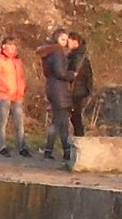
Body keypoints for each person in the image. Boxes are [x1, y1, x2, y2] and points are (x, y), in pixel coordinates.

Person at [41, 29, 95, 162]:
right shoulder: (62, 54)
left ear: (75, 42)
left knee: (68, 121)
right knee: (63, 122)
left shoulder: (75, 56)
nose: (66, 43)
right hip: (65, 92)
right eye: (64, 40)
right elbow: (64, 73)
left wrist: (73, 78)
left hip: (74, 92)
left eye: (68, 40)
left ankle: (71, 150)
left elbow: (75, 75)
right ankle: (67, 151)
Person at [0, 36, 30, 157]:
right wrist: (4, 88)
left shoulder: (18, 61)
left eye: (13, 45)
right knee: (3, 122)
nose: (12, 48)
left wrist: (22, 88)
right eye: (9, 45)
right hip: (3, 96)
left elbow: (21, 77)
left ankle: (22, 147)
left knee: (20, 123)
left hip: (17, 96)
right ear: (4, 46)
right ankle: (2, 147)